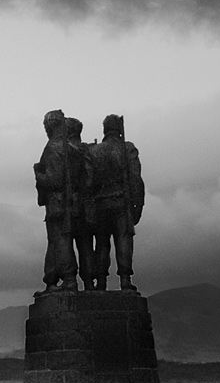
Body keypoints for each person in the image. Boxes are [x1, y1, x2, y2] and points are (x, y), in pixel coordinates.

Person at [33, 110, 94, 295]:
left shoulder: (53, 148)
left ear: (50, 125)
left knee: (61, 241)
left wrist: (38, 174)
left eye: (45, 126)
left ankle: (69, 280)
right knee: (83, 243)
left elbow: (54, 180)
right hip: (78, 203)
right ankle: (89, 282)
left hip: (59, 204)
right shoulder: (76, 148)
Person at [87, 114, 145, 291]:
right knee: (124, 240)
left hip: (100, 204)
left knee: (102, 244)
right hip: (121, 202)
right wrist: (138, 205)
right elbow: (135, 179)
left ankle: (101, 282)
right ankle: (125, 280)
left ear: (104, 129)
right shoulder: (127, 149)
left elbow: (88, 183)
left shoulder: (93, 151)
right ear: (119, 129)